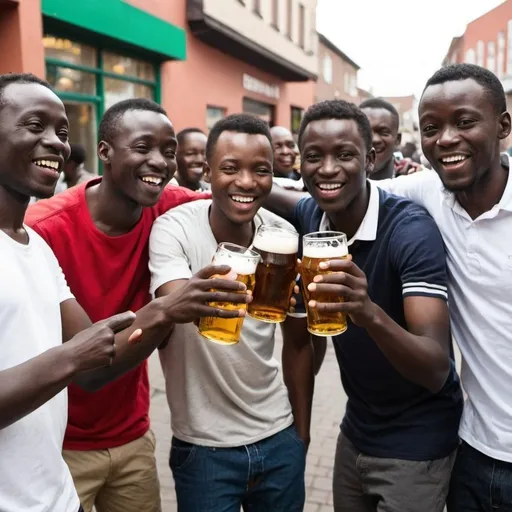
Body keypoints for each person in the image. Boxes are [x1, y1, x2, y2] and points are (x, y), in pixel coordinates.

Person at [26, 99, 252, 512]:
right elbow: (86, 369)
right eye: (143, 147)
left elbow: (237, 194)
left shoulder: (168, 205)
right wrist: (169, 309)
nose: (159, 162)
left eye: (169, 151)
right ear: (105, 151)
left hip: (132, 434)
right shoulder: (44, 229)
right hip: (59, 442)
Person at [291, 99, 463, 511]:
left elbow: (437, 368)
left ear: (369, 159)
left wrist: (367, 312)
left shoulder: (410, 231)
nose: (327, 169)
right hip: (356, 430)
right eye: (314, 156)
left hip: (416, 439)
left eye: (344, 155)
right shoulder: (311, 215)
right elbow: (262, 195)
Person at [149, 114, 313, 511]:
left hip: (278, 437)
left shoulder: (282, 236)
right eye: (230, 168)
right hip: (204, 448)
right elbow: (175, 302)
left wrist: (302, 435)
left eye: (261, 170)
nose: (246, 182)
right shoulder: (175, 229)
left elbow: (297, 344)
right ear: (207, 172)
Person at [374, 63, 512, 512]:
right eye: (431, 128)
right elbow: (341, 193)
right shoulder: (428, 191)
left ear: (503, 125)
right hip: (473, 451)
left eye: (465, 122)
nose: (446, 139)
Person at [359, 98, 402, 180]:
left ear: (398, 139)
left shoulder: (412, 184)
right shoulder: (338, 181)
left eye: (383, 132)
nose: (374, 139)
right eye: (366, 131)